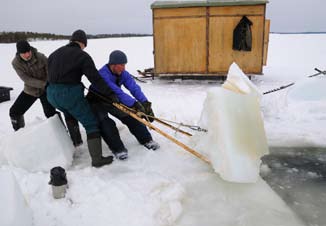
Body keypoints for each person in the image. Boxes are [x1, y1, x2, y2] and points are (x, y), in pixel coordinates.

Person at [47, 29, 118, 168]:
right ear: (83, 43)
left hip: (51, 94)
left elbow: (49, 75)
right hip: (69, 94)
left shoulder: (54, 54)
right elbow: (95, 78)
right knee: (91, 123)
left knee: (69, 113)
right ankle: (97, 160)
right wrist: (110, 94)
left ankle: (76, 142)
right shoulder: (82, 56)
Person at [86, 50, 159, 160]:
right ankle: (118, 149)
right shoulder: (103, 74)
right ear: (113, 65)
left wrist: (145, 103)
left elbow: (134, 88)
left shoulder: (123, 73)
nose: (123, 68)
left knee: (131, 116)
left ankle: (146, 139)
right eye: (121, 65)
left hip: (113, 99)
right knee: (105, 122)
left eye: (124, 65)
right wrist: (134, 104)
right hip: (97, 100)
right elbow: (117, 91)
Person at [9, 40, 83, 147]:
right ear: (19, 53)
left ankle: (64, 137)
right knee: (14, 111)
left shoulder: (40, 57)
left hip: (47, 89)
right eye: (24, 53)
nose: (27, 54)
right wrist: (44, 84)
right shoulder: (15, 63)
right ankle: (21, 140)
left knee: (50, 114)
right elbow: (26, 79)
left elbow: (51, 71)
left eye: (28, 51)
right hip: (31, 90)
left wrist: (49, 84)